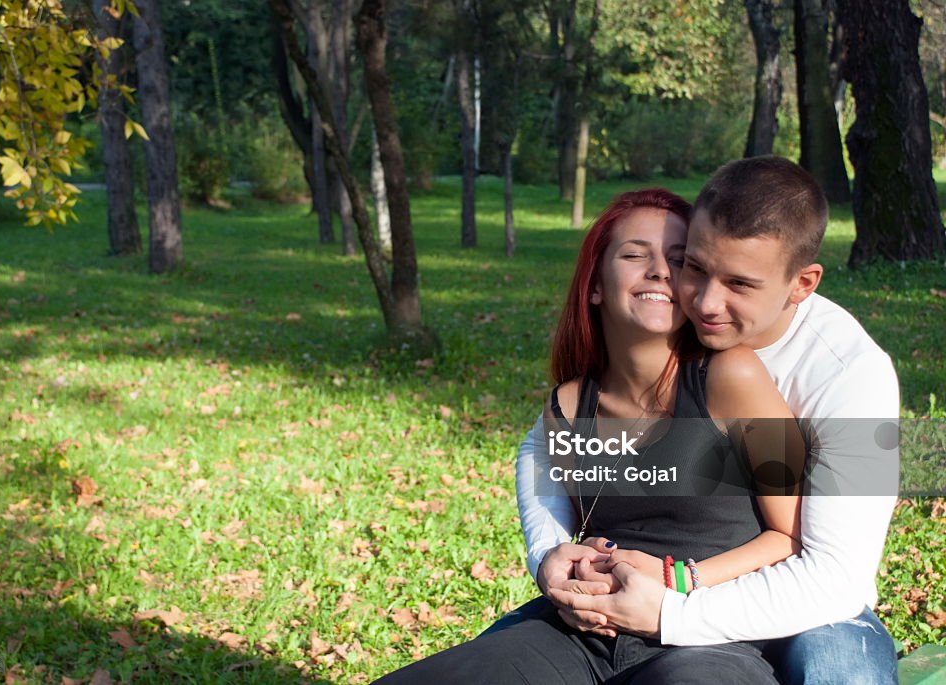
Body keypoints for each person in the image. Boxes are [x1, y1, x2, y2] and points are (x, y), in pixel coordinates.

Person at [373, 187, 810, 684]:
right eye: (634, 254)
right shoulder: (566, 407)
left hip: (709, 638)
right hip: (583, 634)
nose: (660, 271)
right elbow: (558, 520)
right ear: (596, 285)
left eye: (679, 259)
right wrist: (557, 563)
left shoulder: (735, 377)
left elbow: (791, 536)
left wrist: (675, 582)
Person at [517, 156, 900, 684]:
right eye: (694, 266)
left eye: (740, 284)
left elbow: (835, 575)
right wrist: (548, 553)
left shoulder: (854, 377)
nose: (704, 302)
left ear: (802, 283)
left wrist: (670, 608)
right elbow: (542, 442)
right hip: (655, 587)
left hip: (807, 606)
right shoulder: (680, 322)